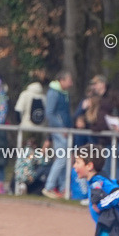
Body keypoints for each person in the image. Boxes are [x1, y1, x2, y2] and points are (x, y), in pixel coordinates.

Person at [42, 70, 74, 199]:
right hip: (59, 131)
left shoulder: (62, 93)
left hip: (63, 130)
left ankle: (62, 188)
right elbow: (50, 113)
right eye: (69, 80)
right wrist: (61, 128)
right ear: (62, 80)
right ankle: (49, 187)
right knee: (61, 159)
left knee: (64, 160)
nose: (71, 83)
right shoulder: (54, 93)